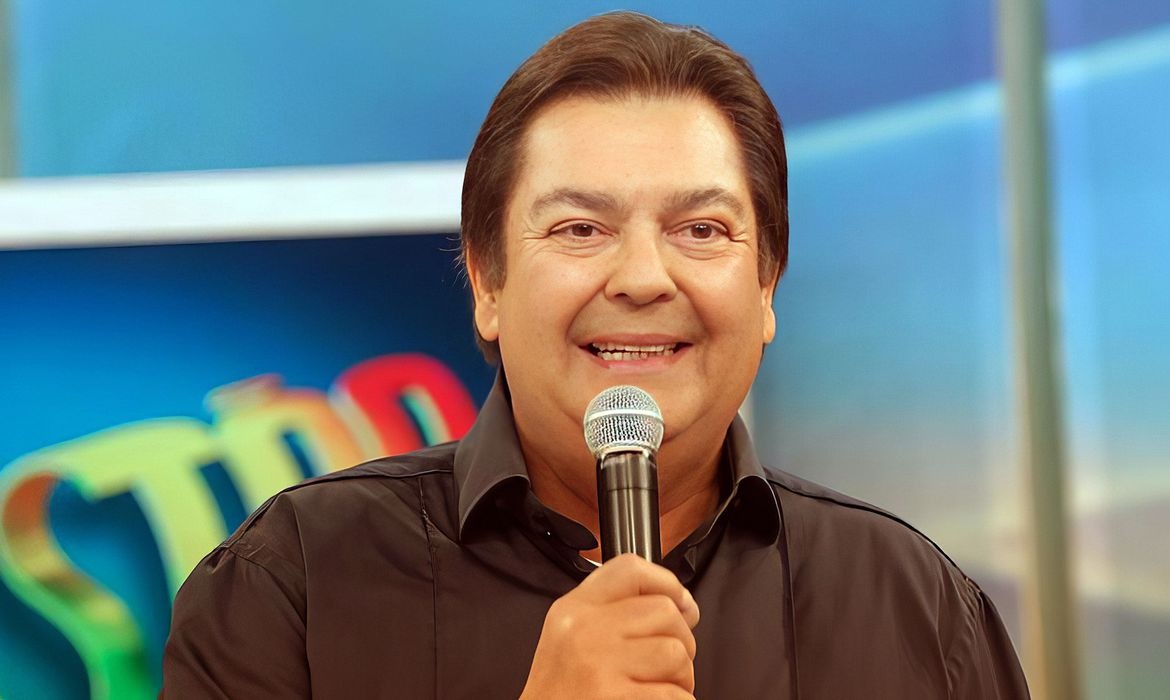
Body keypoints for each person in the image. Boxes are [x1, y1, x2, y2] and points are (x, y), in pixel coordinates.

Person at [163, 11, 1029, 698]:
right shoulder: (290, 585)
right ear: (486, 282)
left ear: (767, 285)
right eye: (581, 229)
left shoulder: (916, 607)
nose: (644, 278)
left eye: (701, 229)